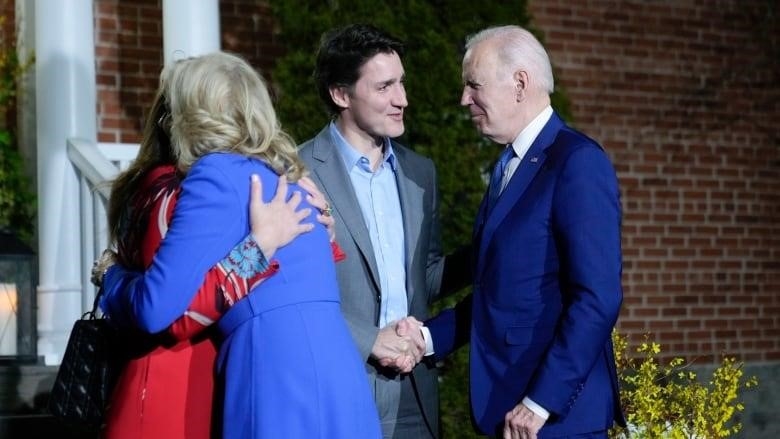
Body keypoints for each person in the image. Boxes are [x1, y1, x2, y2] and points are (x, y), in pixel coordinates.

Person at [99, 51, 381, 438]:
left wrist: (113, 279)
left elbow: (155, 310)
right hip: (339, 373)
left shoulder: (215, 174)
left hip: (274, 367)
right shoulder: (292, 179)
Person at [420, 25, 625, 438]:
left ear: (519, 83)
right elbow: (503, 292)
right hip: (509, 408)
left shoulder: (576, 162)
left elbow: (598, 298)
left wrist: (540, 402)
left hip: (554, 420)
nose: (464, 99)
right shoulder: (508, 165)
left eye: (473, 85)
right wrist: (425, 340)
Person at [296, 24, 470, 439]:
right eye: (385, 87)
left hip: (414, 391)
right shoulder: (295, 171)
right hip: (337, 387)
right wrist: (367, 340)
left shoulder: (420, 172)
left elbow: (424, 277)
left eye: (402, 83)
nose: (402, 100)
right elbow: (287, 293)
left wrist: (491, 250)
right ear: (341, 95)